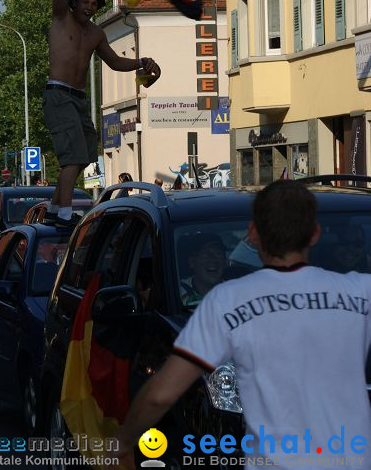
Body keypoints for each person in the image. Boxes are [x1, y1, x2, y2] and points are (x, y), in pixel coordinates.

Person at [117, 181, 371, 466]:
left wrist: (125, 442)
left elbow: (161, 395)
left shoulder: (227, 301)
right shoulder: (361, 291)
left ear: (253, 235)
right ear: (314, 234)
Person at [44, 0, 160, 228]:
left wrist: (140, 62)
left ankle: (53, 208)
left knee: (84, 153)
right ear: (73, 3)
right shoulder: (61, 18)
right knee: (72, 156)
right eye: (85, 1)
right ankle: (63, 214)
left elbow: (115, 62)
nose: (90, 6)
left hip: (78, 99)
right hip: (58, 95)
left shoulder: (96, 33)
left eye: (95, 3)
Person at [179, 232, 226, 307]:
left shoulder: (235, 292)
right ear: (192, 262)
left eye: (218, 254)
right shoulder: (177, 293)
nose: (213, 259)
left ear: (225, 262)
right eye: (205, 254)